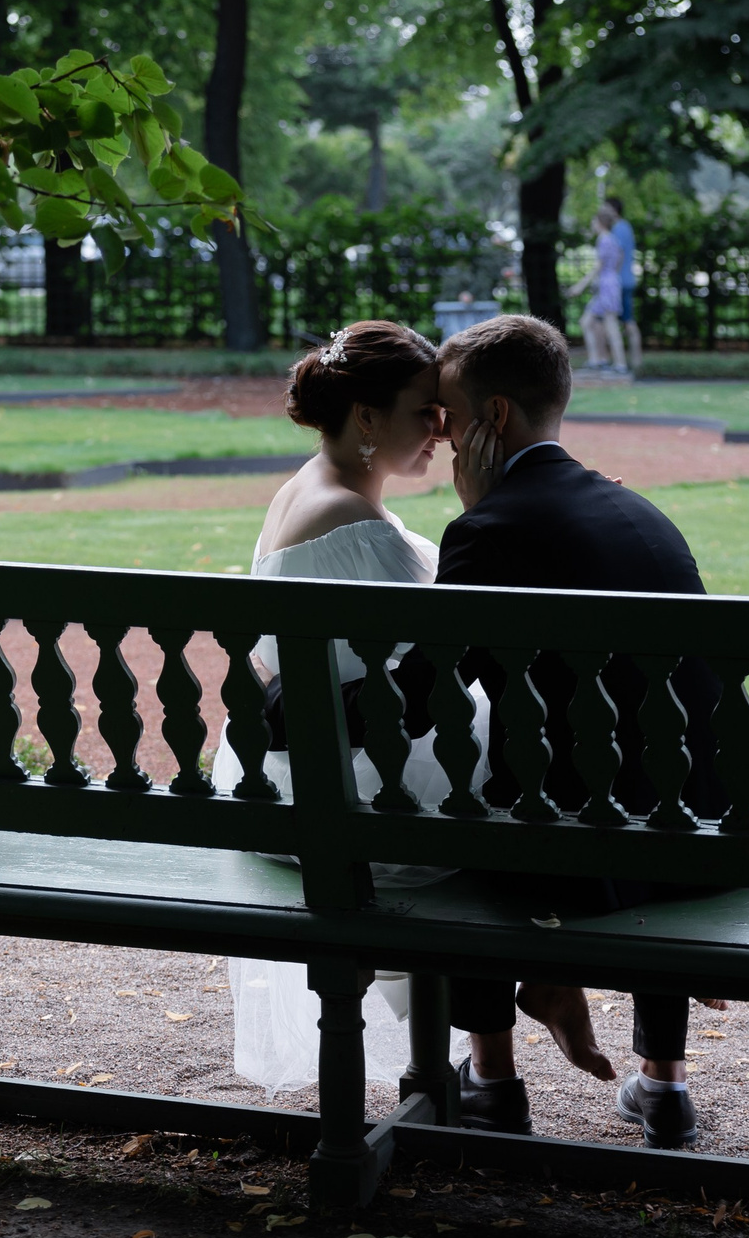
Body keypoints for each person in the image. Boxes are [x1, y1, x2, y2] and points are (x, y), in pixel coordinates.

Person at [215, 320, 610, 1097]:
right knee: (541, 758)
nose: (443, 428)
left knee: (510, 749)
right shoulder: (352, 522)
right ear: (367, 416)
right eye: (424, 411)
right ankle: (555, 980)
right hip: (349, 783)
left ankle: (504, 1052)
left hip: (302, 765)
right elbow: (452, 654)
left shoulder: (313, 489)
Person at [418, 313, 749, 1149]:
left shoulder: (486, 530)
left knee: (455, 820)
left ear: (494, 416)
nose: (442, 435)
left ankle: (492, 1080)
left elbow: (429, 694)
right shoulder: (640, 510)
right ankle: (664, 1083)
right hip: (715, 823)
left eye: (450, 415)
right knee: (645, 768)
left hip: (582, 851)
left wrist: (480, 510)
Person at [569, 200, 628, 375]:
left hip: (607, 287)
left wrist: (580, 286)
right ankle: (596, 361)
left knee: (611, 326)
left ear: (601, 223)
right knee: (586, 321)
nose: (592, 224)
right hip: (608, 285)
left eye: (594, 222)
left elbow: (598, 267)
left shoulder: (604, 239)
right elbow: (619, 260)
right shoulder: (612, 240)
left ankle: (620, 365)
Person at [607, 195, 643, 373]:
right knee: (626, 321)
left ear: (614, 210)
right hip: (626, 280)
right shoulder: (625, 226)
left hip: (621, 281)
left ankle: (629, 363)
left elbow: (619, 255)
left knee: (624, 322)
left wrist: (611, 278)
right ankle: (635, 362)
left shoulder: (618, 228)